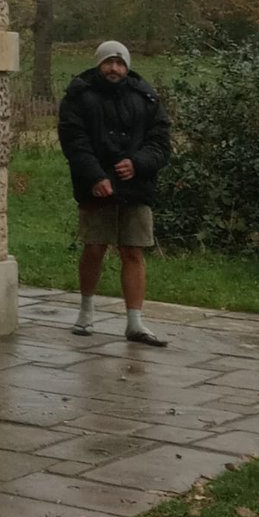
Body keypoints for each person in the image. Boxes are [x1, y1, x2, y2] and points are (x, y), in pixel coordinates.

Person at [58, 40, 171, 346]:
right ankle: (85, 312)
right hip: (95, 186)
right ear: (99, 64)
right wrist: (95, 176)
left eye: (120, 63)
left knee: (132, 252)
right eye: (109, 62)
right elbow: (74, 141)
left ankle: (135, 323)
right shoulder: (79, 96)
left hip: (137, 187)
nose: (114, 68)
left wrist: (138, 163)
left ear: (127, 67)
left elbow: (161, 141)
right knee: (94, 247)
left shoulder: (146, 97)